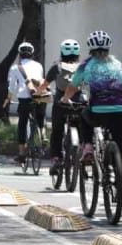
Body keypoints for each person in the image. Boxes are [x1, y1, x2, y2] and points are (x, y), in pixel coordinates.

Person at [61, 31, 122, 178]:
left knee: (84, 115)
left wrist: (65, 99)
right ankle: (120, 184)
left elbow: (73, 86)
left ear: (90, 49)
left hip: (98, 111)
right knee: (117, 142)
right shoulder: (118, 64)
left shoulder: (86, 65)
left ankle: (88, 147)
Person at [46, 39, 84, 174]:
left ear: (62, 52)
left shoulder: (56, 66)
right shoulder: (82, 67)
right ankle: (84, 154)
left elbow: (44, 85)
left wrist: (38, 93)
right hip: (78, 103)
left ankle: (56, 159)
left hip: (61, 103)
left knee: (57, 131)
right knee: (83, 129)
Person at [7, 42, 47, 164]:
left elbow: (12, 87)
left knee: (22, 124)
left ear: (19, 54)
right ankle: (43, 136)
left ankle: (22, 153)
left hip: (24, 98)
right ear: (32, 54)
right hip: (39, 96)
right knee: (40, 118)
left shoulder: (15, 68)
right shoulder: (39, 66)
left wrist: (9, 98)